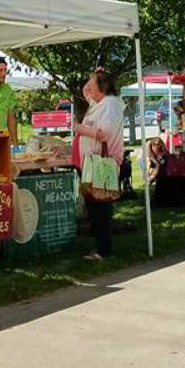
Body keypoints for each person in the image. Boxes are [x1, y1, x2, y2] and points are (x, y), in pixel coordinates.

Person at [72, 69, 125, 261]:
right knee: (94, 206)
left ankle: (104, 249)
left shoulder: (110, 105)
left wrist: (80, 129)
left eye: (93, 84)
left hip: (101, 163)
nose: (89, 87)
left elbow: (106, 132)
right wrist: (95, 74)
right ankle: (101, 246)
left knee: (100, 206)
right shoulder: (100, 103)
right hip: (91, 163)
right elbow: (86, 91)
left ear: (102, 88)